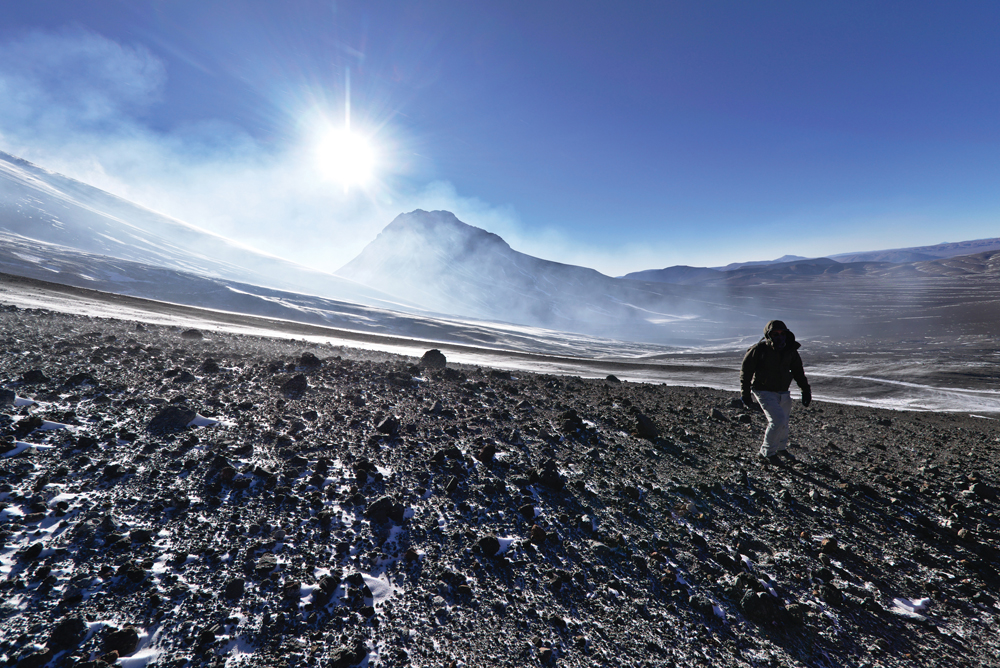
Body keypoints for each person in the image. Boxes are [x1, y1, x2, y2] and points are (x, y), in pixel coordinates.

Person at [740, 320, 811, 463]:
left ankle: (780, 448)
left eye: (782, 333)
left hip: (783, 391)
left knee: (784, 422)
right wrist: (745, 394)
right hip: (763, 391)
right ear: (768, 335)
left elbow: (798, 371)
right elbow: (746, 372)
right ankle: (766, 453)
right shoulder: (758, 350)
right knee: (777, 421)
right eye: (775, 334)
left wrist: (805, 390)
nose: (779, 336)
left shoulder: (790, 350)